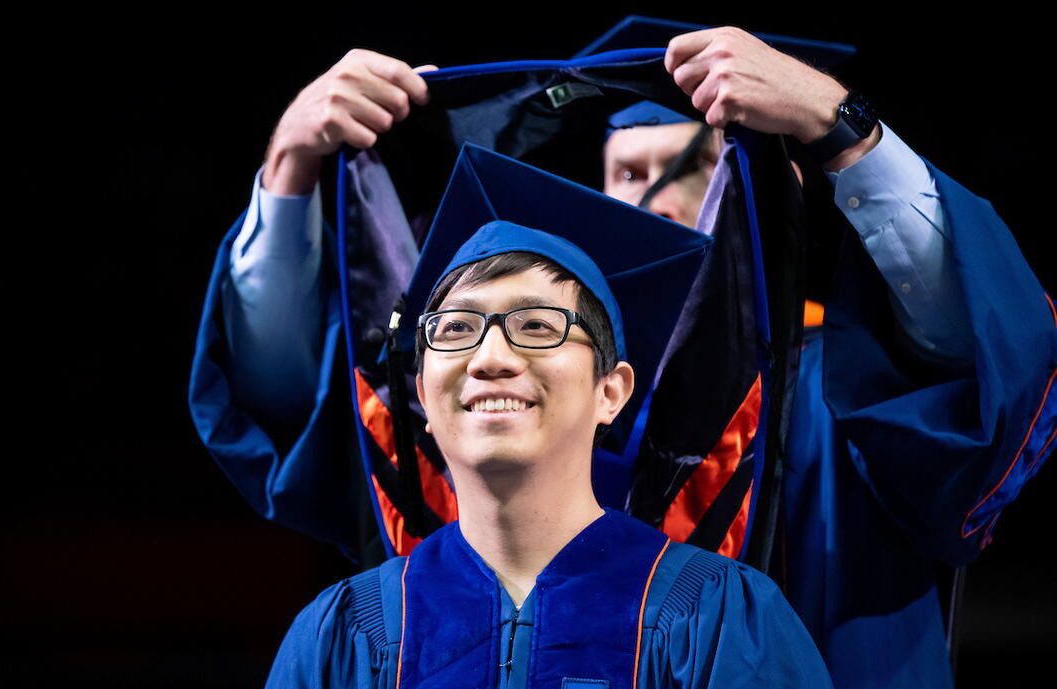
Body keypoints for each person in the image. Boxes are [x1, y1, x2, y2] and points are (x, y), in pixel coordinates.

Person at [189, 23, 1057, 689]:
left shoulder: (834, 387)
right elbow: (291, 402)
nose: (650, 199)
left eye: (683, 168)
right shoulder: (505, 411)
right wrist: (290, 170)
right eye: (625, 176)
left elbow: (984, 360)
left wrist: (843, 130)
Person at [262, 145, 833, 688]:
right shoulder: (344, 635)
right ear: (424, 400)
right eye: (456, 330)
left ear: (611, 392)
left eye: (537, 326)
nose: (489, 358)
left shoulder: (714, 614)